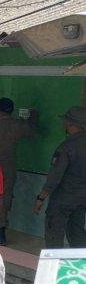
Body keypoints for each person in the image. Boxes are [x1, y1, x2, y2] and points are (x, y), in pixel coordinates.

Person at [0, 98, 37, 246]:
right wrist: (33, 117)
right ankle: (1, 233)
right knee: (4, 199)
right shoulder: (18, 125)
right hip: (9, 168)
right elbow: (32, 133)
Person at [34, 106, 86, 248]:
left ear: (71, 124)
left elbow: (54, 177)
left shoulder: (67, 147)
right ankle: (82, 266)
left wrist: (41, 198)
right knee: (77, 233)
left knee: (54, 234)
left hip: (63, 200)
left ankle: (54, 266)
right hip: (82, 200)